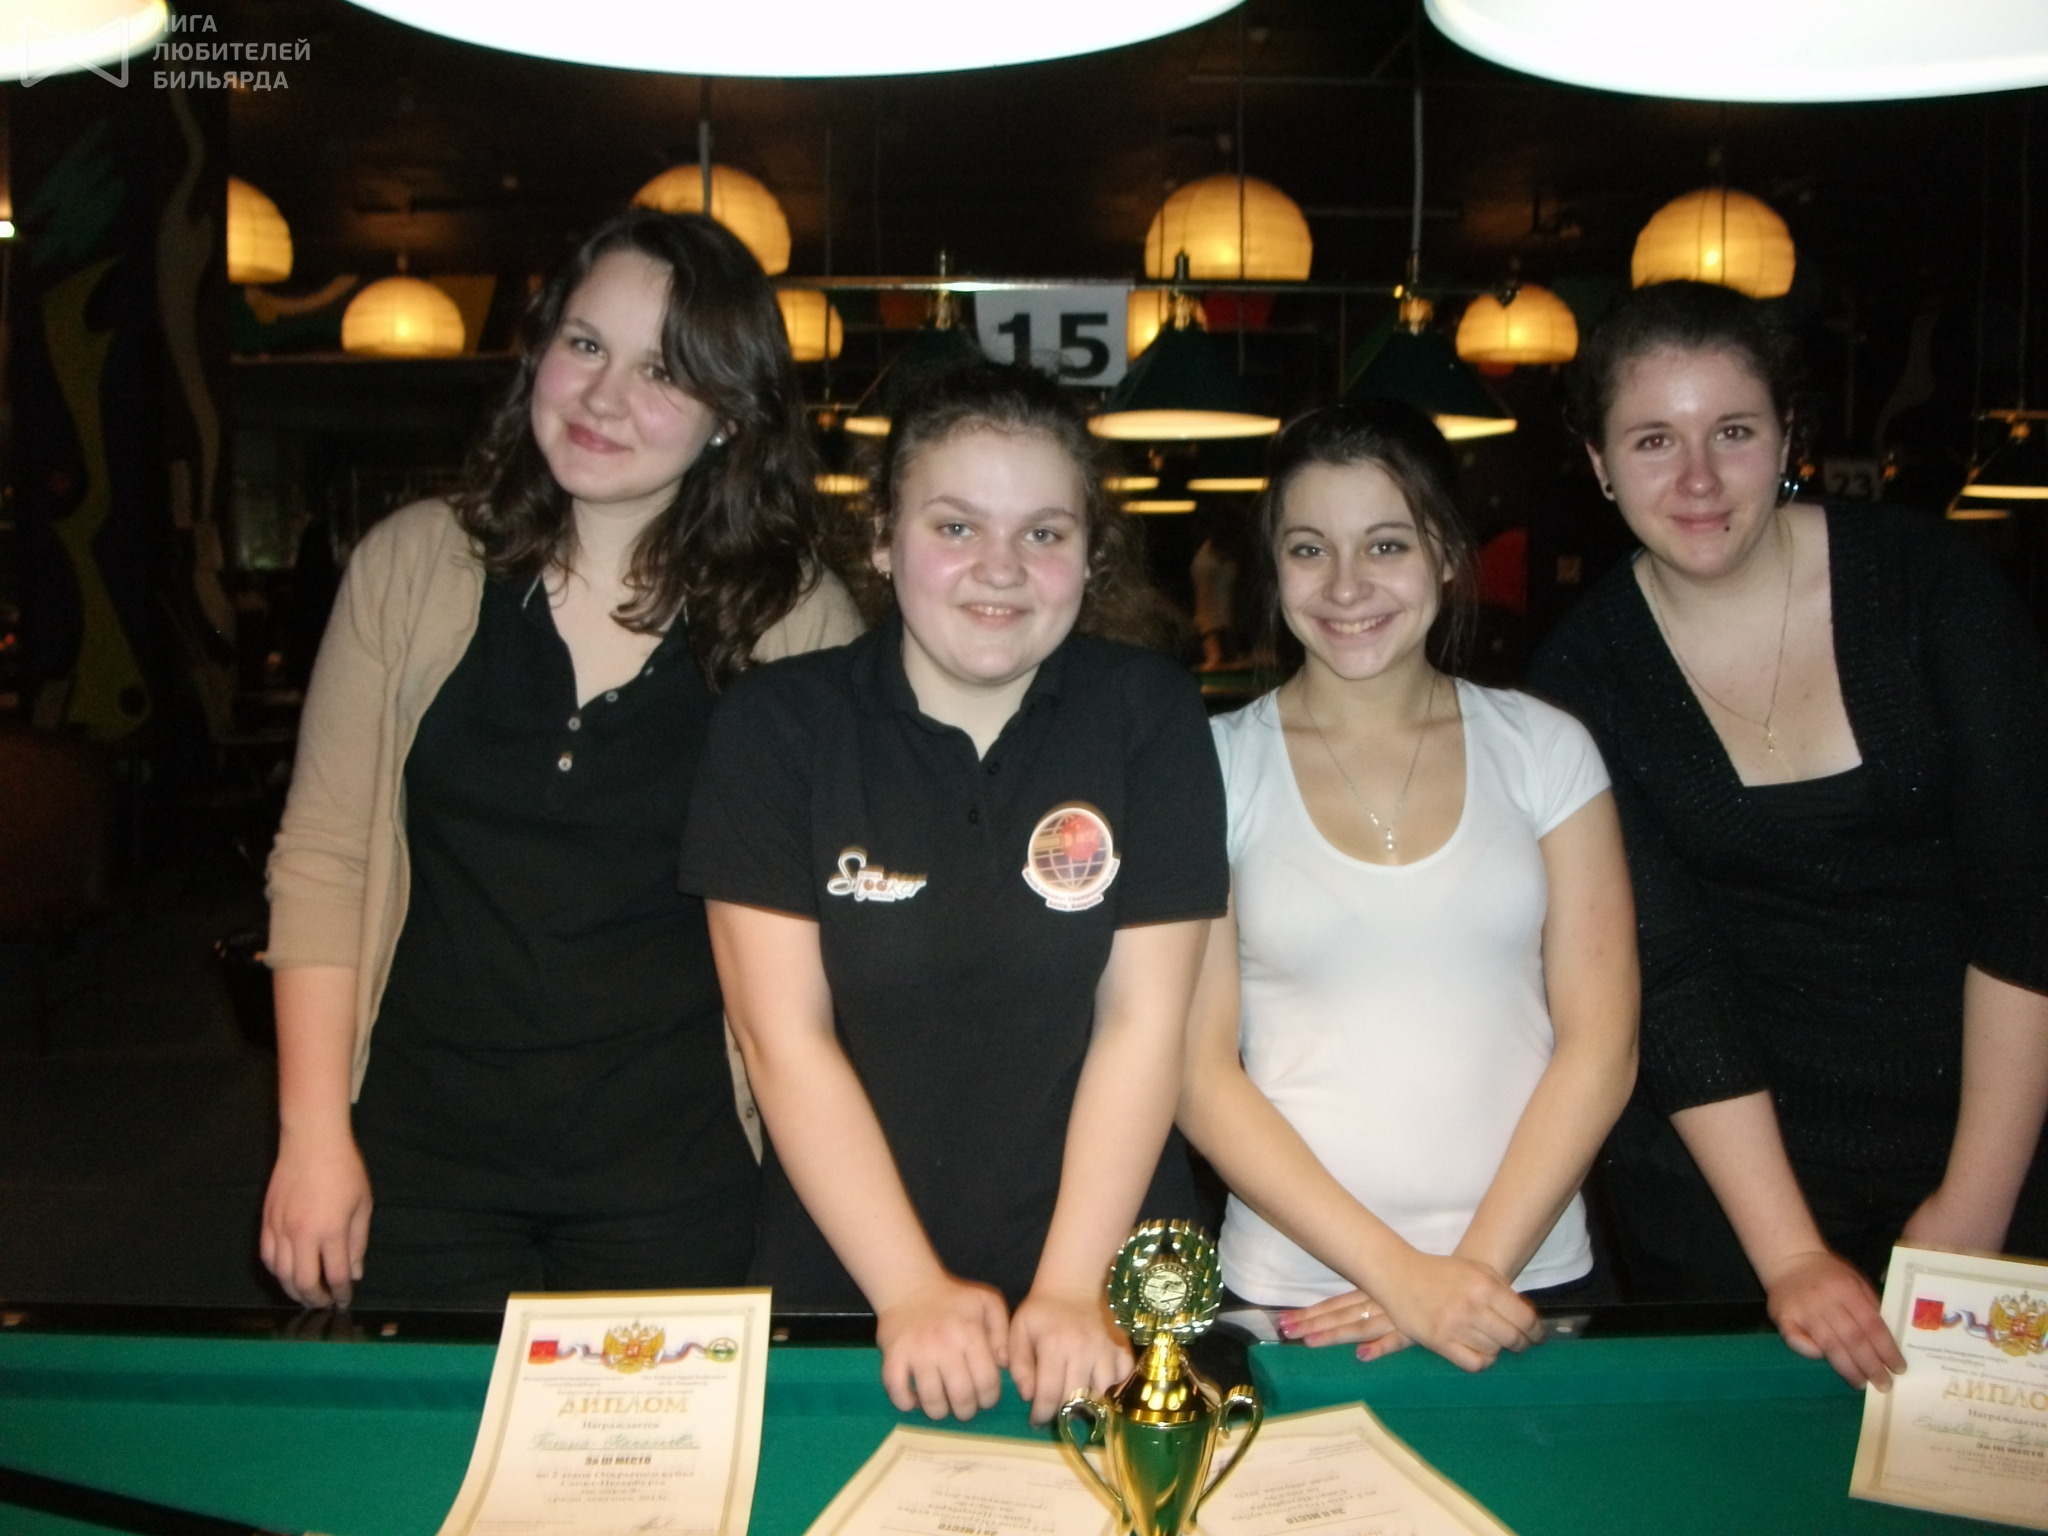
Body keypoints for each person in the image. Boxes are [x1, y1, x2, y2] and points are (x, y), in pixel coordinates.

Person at [260, 209, 861, 1309]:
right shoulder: (410, 567)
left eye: (662, 372)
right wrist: (310, 1137)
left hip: (680, 1173)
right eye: (585, 344)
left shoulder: (796, 620)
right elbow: (323, 860)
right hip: (415, 1158)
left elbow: (839, 930)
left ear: (730, 415)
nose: (602, 397)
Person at [678, 362, 1226, 1425]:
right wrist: (910, 1290)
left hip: (1110, 1298)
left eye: (1043, 533)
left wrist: (1075, 1287)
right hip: (853, 1289)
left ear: (1089, 553)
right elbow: (781, 1038)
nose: (1000, 569)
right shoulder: (778, 726)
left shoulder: (1147, 713)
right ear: (883, 539)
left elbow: (1143, 1025)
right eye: (955, 526)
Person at [1528, 280, 2048, 1391]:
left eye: (1732, 431)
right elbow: (1672, 976)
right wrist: (1792, 1255)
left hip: (1997, 1123)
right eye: (1653, 440)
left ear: (1787, 436)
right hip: (1729, 1178)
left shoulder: (1932, 587)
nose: (1698, 479)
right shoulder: (1579, 676)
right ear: (1599, 463)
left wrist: (1974, 1205)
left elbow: (2025, 901)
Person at [1178, 400, 1640, 1374]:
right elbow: (1197, 1074)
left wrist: (1463, 1279)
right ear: (1273, 567)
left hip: (1525, 1283)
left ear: (1446, 556)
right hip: (1295, 1295)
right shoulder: (1211, 767)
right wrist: (1403, 1279)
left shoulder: (1545, 747)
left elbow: (1602, 1045)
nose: (1346, 585)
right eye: (1309, 550)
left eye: (1385, 544)